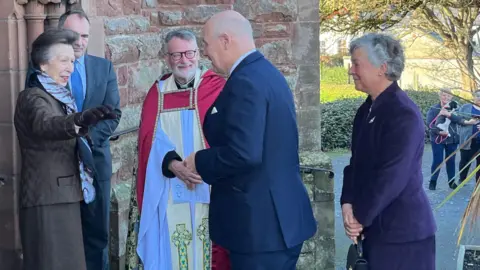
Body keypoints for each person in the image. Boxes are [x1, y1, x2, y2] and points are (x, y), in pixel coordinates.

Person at [183, 10, 317, 269]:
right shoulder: (265, 73)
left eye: (206, 44)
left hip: (261, 228)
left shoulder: (245, 81)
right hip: (274, 221)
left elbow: (244, 153)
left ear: (225, 41)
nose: (206, 52)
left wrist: (199, 160)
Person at [14, 29, 118, 270]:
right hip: (48, 199)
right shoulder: (33, 97)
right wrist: (80, 120)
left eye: (72, 61)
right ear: (42, 63)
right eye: (63, 60)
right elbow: (46, 124)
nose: (70, 67)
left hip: (66, 196)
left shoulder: (60, 97)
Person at [135, 29, 230, 270]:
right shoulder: (157, 93)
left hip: (209, 185)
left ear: (198, 54)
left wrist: (202, 165)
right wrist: (174, 165)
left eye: (189, 53)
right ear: (167, 58)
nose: (183, 60)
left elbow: (230, 136)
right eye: (176, 55)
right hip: (168, 188)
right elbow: (148, 139)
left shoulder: (217, 88)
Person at [340, 33, 436, 270]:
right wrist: (347, 203)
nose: (351, 70)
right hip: (375, 232)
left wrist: (359, 217)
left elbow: (391, 176)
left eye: (356, 63)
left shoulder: (403, 114)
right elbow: (355, 164)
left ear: (381, 68)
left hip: (402, 239)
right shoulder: (366, 110)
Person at [58, 9, 122, 270]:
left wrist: (84, 139)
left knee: (97, 237)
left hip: (96, 163)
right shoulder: (44, 69)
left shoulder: (102, 67)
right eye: (73, 35)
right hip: (59, 166)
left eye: (84, 35)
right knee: (63, 238)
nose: (79, 42)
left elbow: (113, 113)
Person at [426, 89, 464, 190]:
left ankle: (451, 182)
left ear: (451, 97)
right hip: (438, 139)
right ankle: (433, 181)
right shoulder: (434, 108)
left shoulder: (457, 108)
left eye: (448, 96)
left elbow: (460, 120)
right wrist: (439, 132)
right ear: (440, 96)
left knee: (451, 160)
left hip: (452, 139)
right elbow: (429, 123)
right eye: (444, 95)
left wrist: (450, 115)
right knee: (437, 160)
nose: (446, 98)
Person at [456, 90, 480, 186]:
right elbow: (457, 119)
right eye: (477, 96)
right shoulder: (465, 107)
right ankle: (462, 179)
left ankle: (478, 182)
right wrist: (467, 122)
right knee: (465, 161)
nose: (479, 98)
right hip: (468, 140)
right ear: (473, 97)